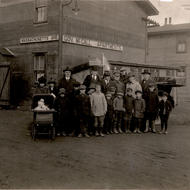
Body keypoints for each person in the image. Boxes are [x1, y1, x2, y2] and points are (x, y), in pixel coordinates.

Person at [58, 67, 80, 135]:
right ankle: (62, 130)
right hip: (63, 100)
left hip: (71, 101)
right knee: (63, 116)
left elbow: (76, 91)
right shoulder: (61, 81)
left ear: (71, 74)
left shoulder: (74, 80)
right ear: (64, 73)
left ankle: (70, 131)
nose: (68, 74)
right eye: (66, 72)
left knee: (71, 115)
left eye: (69, 73)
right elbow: (58, 90)